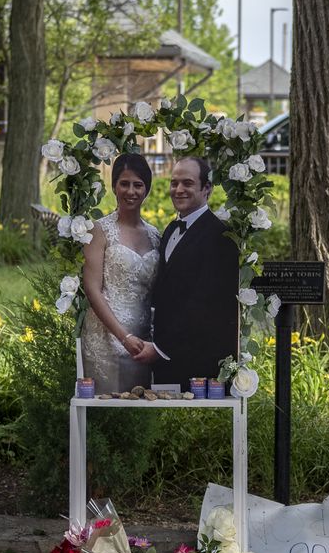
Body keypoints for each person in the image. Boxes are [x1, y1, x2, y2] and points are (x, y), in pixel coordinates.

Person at [146, 156, 241, 391]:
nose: (178, 190)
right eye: (174, 183)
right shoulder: (169, 230)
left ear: (206, 188)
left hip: (198, 364)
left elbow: (205, 304)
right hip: (165, 362)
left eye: (187, 183)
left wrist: (160, 348)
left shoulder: (221, 236)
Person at [79, 153, 161, 393]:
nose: (131, 191)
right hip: (106, 338)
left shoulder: (155, 235)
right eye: (124, 183)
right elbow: (92, 289)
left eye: (138, 185)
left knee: (139, 410)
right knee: (107, 410)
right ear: (114, 186)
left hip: (143, 342)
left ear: (147, 189)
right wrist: (123, 337)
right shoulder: (100, 230)